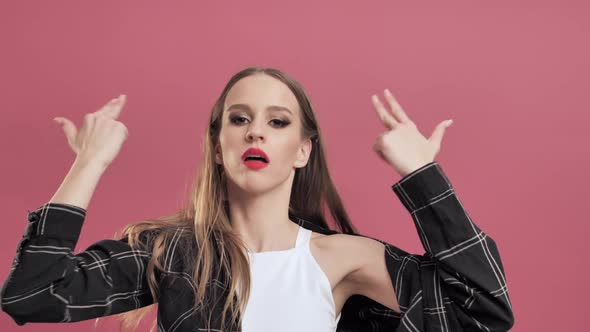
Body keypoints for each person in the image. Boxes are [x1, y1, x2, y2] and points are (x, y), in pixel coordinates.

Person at [0, 67, 514, 332]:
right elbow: (32, 295)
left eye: (278, 122)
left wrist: (422, 174)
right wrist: (89, 162)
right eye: (239, 119)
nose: (255, 134)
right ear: (217, 146)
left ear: (302, 150)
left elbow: (483, 314)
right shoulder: (172, 254)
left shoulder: (344, 260)